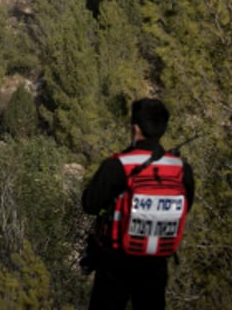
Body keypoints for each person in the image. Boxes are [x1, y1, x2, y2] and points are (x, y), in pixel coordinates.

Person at [81, 98, 194, 310]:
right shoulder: (181, 169)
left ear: (135, 128)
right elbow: (186, 207)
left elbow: (90, 204)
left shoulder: (118, 165)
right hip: (157, 262)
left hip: (116, 260)